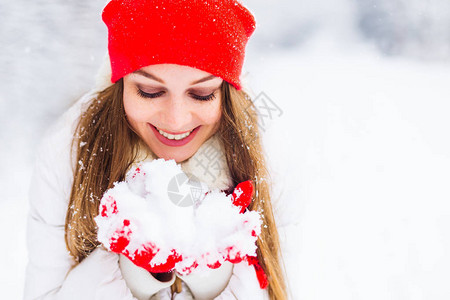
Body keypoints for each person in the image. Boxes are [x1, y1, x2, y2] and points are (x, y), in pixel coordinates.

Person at [24, 0, 290, 299]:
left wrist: (222, 269)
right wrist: (121, 259)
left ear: (224, 93)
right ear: (121, 83)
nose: (175, 120)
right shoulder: (69, 148)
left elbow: (286, 286)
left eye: (201, 94)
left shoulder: (266, 155)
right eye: (150, 92)